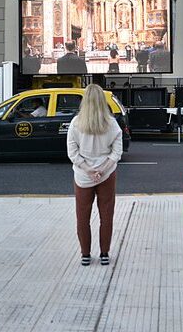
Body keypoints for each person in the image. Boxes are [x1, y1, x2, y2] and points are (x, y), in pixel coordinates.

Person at [66, 84, 123, 267]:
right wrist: (103, 169)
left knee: (82, 216)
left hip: (83, 176)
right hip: (106, 175)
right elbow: (117, 152)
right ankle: (105, 253)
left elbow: (72, 152)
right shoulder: (111, 123)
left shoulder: (76, 123)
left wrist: (88, 169)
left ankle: (85, 254)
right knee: (106, 215)